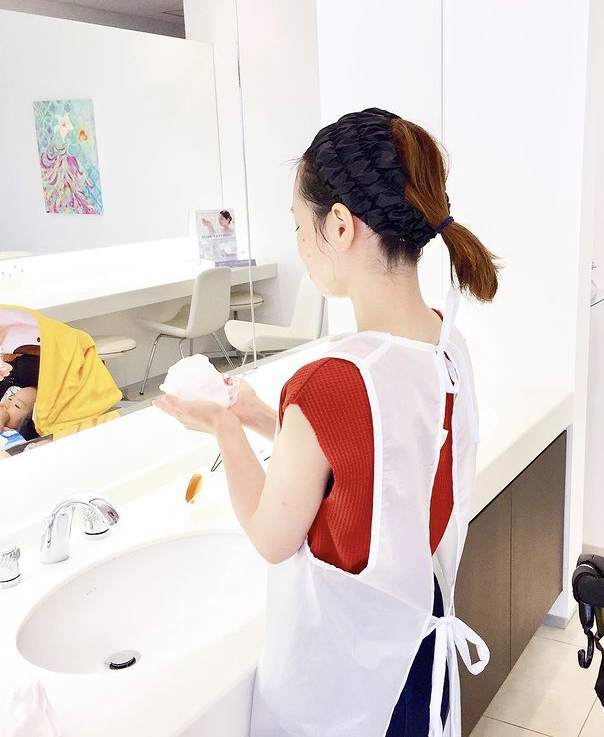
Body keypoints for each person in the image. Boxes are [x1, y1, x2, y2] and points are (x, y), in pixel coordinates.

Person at [154, 107, 499, 736]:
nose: (298, 242)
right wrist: (266, 419)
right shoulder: (446, 343)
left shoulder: (331, 381)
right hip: (418, 648)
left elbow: (272, 537)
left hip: (356, 682)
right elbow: (377, 468)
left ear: (339, 225)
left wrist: (226, 431)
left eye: (297, 223)